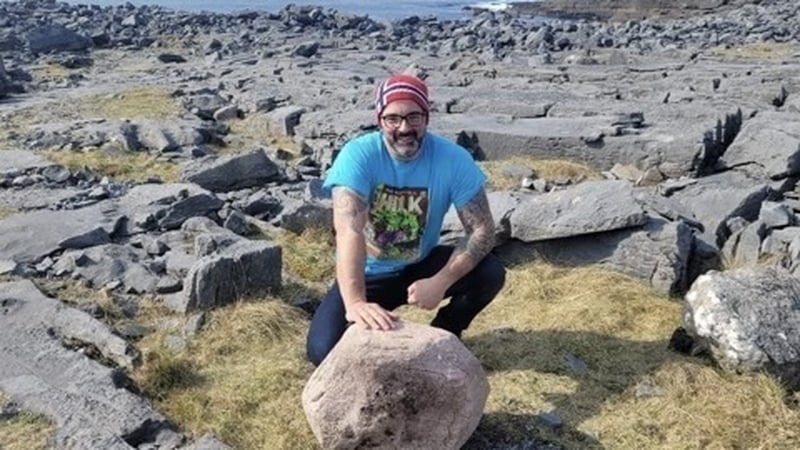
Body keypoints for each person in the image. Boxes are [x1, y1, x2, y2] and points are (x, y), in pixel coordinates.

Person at [306, 73, 506, 366]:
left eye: (414, 117)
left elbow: (482, 230)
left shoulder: (454, 159)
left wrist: (440, 282)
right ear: (379, 120)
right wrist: (356, 302)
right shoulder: (358, 155)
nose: (404, 128)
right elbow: (349, 230)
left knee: (490, 273)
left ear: (426, 117)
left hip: (419, 266)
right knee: (322, 351)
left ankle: (446, 332)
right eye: (393, 119)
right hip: (367, 273)